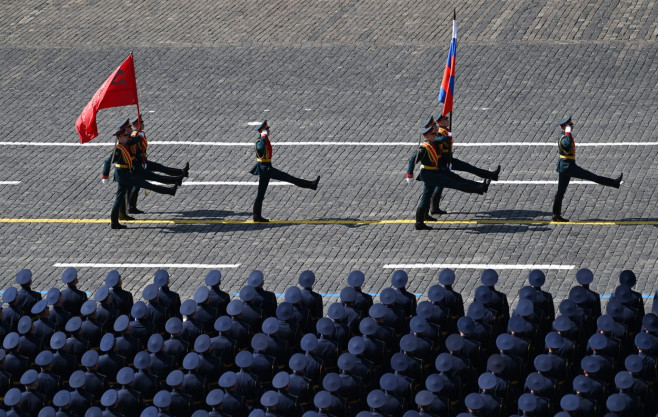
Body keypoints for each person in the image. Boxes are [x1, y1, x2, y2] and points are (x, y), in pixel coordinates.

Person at [406, 125, 489, 230]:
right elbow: (412, 160)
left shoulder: (433, 142)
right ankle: (480, 189)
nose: (436, 135)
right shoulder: (423, 149)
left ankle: (421, 220)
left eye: (435, 134)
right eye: (433, 134)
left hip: (434, 173)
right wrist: (409, 174)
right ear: (427, 136)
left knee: (426, 196)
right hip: (429, 174)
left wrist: (448, 136)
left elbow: (441, 139)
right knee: (454, 183)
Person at [102, 124, 179, 229]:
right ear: (120, 138)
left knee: (119, 197)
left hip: (125, 174)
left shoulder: (124, 145)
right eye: (124, 136)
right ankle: (170, 191)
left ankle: (115, 222)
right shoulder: (118, 149)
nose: (126, 137)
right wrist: (105, 176)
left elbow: (132, 142)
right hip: (123, 176)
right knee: (145, 184)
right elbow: (107, 161)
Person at [552, 115, 623, 222]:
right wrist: (567, 132)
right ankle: (614, 183)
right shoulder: (565, 137)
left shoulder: (564, 135)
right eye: (570, 125)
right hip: (568, 166)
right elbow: (566, 144)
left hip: (565, 166)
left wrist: (567, 133)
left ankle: (556, 215)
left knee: (561, 191)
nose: (572, 126)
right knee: (592, 177)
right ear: (566, 127)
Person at [430, 114, 501, 215]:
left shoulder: (445, 131)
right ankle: (434, 208)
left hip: (449, 159)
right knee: (441, 184)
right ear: (441, 122)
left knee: (469, 168)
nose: (448, 120)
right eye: (445, 119)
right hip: (445, 162)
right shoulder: (441, 133)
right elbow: (438, 144)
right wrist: (446, 138)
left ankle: (491, 175)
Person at [250, 121, 320, 222]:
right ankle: (311, 184)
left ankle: (256, 215)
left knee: (261, 192)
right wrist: (264, 135)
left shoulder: (264, 140)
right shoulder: (259, 141)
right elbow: (260, 149)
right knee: (289, 178)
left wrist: (264, 136)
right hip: (264, 168)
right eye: (267, 130)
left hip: (266, 167)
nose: (269, 131)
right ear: (263, 132)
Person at [127, 114, 189, 214]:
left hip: (142, 161)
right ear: (136, 125)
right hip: (139, 163)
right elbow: (133, 148)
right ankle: (131, 207)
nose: (143, 124)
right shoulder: (135, 135)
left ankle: (181, 173)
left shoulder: (139, 133)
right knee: (142, 183)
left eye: (142, 122)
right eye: (141, 123)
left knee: (159, 169)